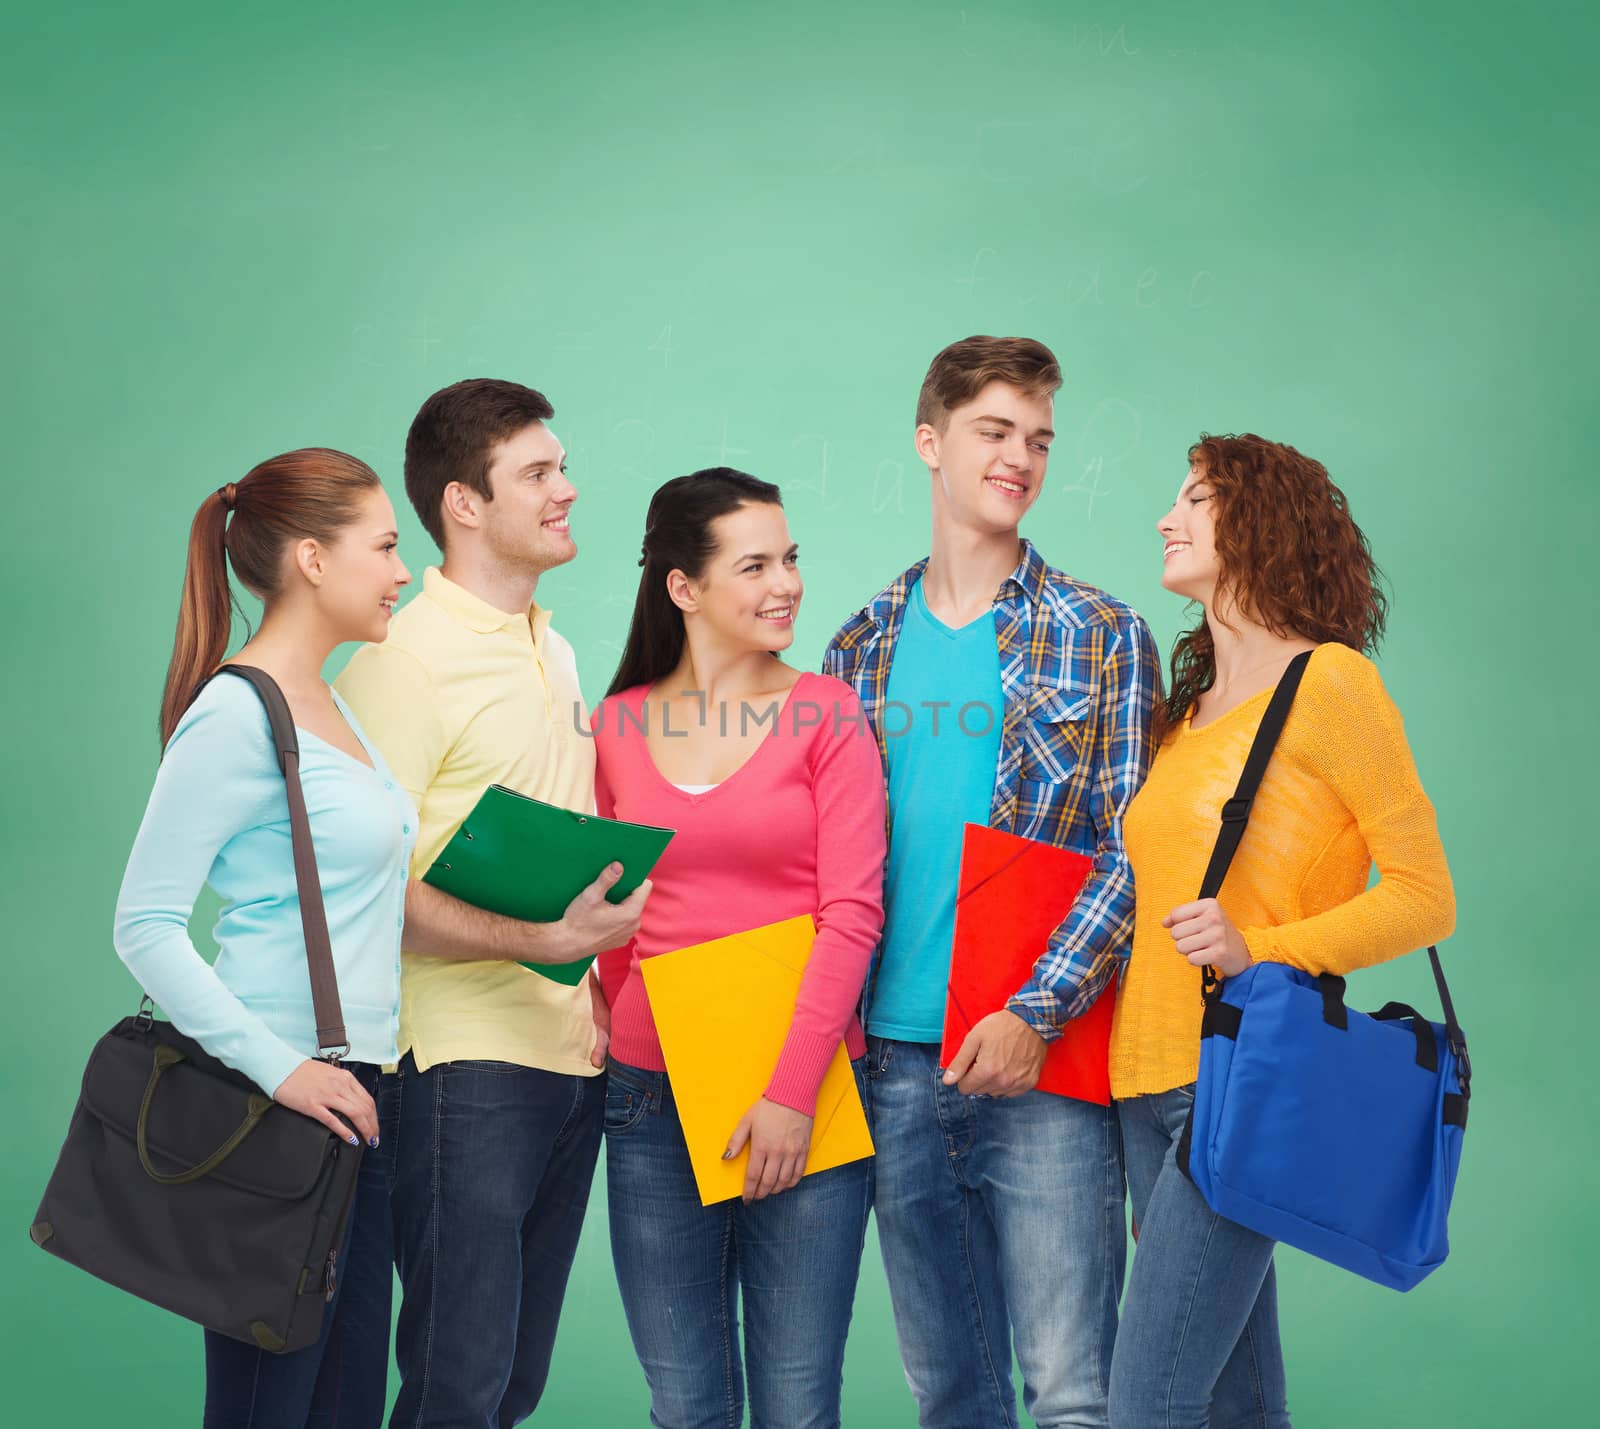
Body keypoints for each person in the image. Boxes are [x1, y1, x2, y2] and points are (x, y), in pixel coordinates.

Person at [824, 336, 1161, 1429]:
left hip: (1045, 1063)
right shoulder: (856, 644)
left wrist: (1033, 1009)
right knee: (950, 1395)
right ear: (930, 442)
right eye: (994, 432)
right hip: (894, 1065)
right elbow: (826, 862)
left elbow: (1132, 849)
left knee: (1072, 1393)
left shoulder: (1102, 634)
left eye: (1038, 440)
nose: (1019, 457)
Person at [1105, 434, 1457, 1428]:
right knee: (1235, 1405)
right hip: (1141, 1085)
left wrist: (1262, 950)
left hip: (1240, 1079)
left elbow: (1426, 896)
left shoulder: (1332, 685)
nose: (1166, 518)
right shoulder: (1185, 714)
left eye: (1195, 500)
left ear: (1261, 522)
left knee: (1148, 1406)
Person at [334, 379, 646, 1427]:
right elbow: (364, 890)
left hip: (567, 1058)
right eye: (538, 473)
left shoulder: (549, 648)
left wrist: (588, 974)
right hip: (460, 1067)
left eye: (560, 467)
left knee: (509, 1386)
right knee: (457, 1383)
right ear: (465, 503)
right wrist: (543, 937)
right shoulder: (401, 663)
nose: (567, 489)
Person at [113, 449, 416, 1428]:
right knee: (265, 1409)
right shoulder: (235, 714)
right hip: (277, 1104)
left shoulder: (331, 710)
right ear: (314, 561)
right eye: (385, 546)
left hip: (361, 1097)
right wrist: (282, 1071)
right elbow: (145, 924)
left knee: (342, 1408)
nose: (402, 570)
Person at [591, 468, 885, 1429]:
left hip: (804, 1091)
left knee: (798, 1405)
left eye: (790, 558)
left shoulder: (828, 714)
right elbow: (607, 914)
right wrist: (597, 1007)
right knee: (685, 1403)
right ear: (684, 587)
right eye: (754, 564)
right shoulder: (618, 725)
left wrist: (791, 1090)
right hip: (650, 1096)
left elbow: (852, 917)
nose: (787, 583)